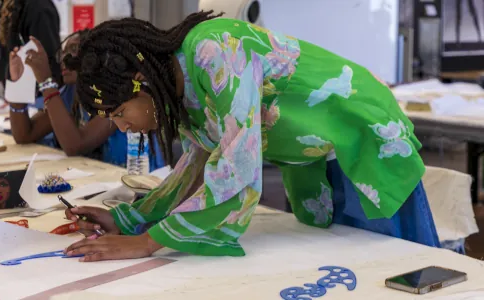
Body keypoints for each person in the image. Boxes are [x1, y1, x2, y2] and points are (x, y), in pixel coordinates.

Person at [58, 12, 440, 262]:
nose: (122, 127)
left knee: (397, 266)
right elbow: (196, 166)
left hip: (361, 132)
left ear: (143, 83)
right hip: (309, 155)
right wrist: (128, 219)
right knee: (340, 259)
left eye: (121, 112)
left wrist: (147, 243)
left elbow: (237, 165)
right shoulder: (177, 94)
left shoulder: (214, 51)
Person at [9, 33, 165, 170]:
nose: (65, 58)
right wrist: (19, 82)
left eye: (74, 49)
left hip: (137, 185)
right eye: (63, 52)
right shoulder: (70, 94)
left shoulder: (113, 94)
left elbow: (76, 145)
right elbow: (25, 135)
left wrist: (46, 82)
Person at [0, 0, 61, 106]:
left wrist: (17, 98)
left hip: (41, 100)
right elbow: (6, 57)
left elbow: (46, 61)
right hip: (21, 98)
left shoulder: (39, 7)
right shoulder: (6, 8)